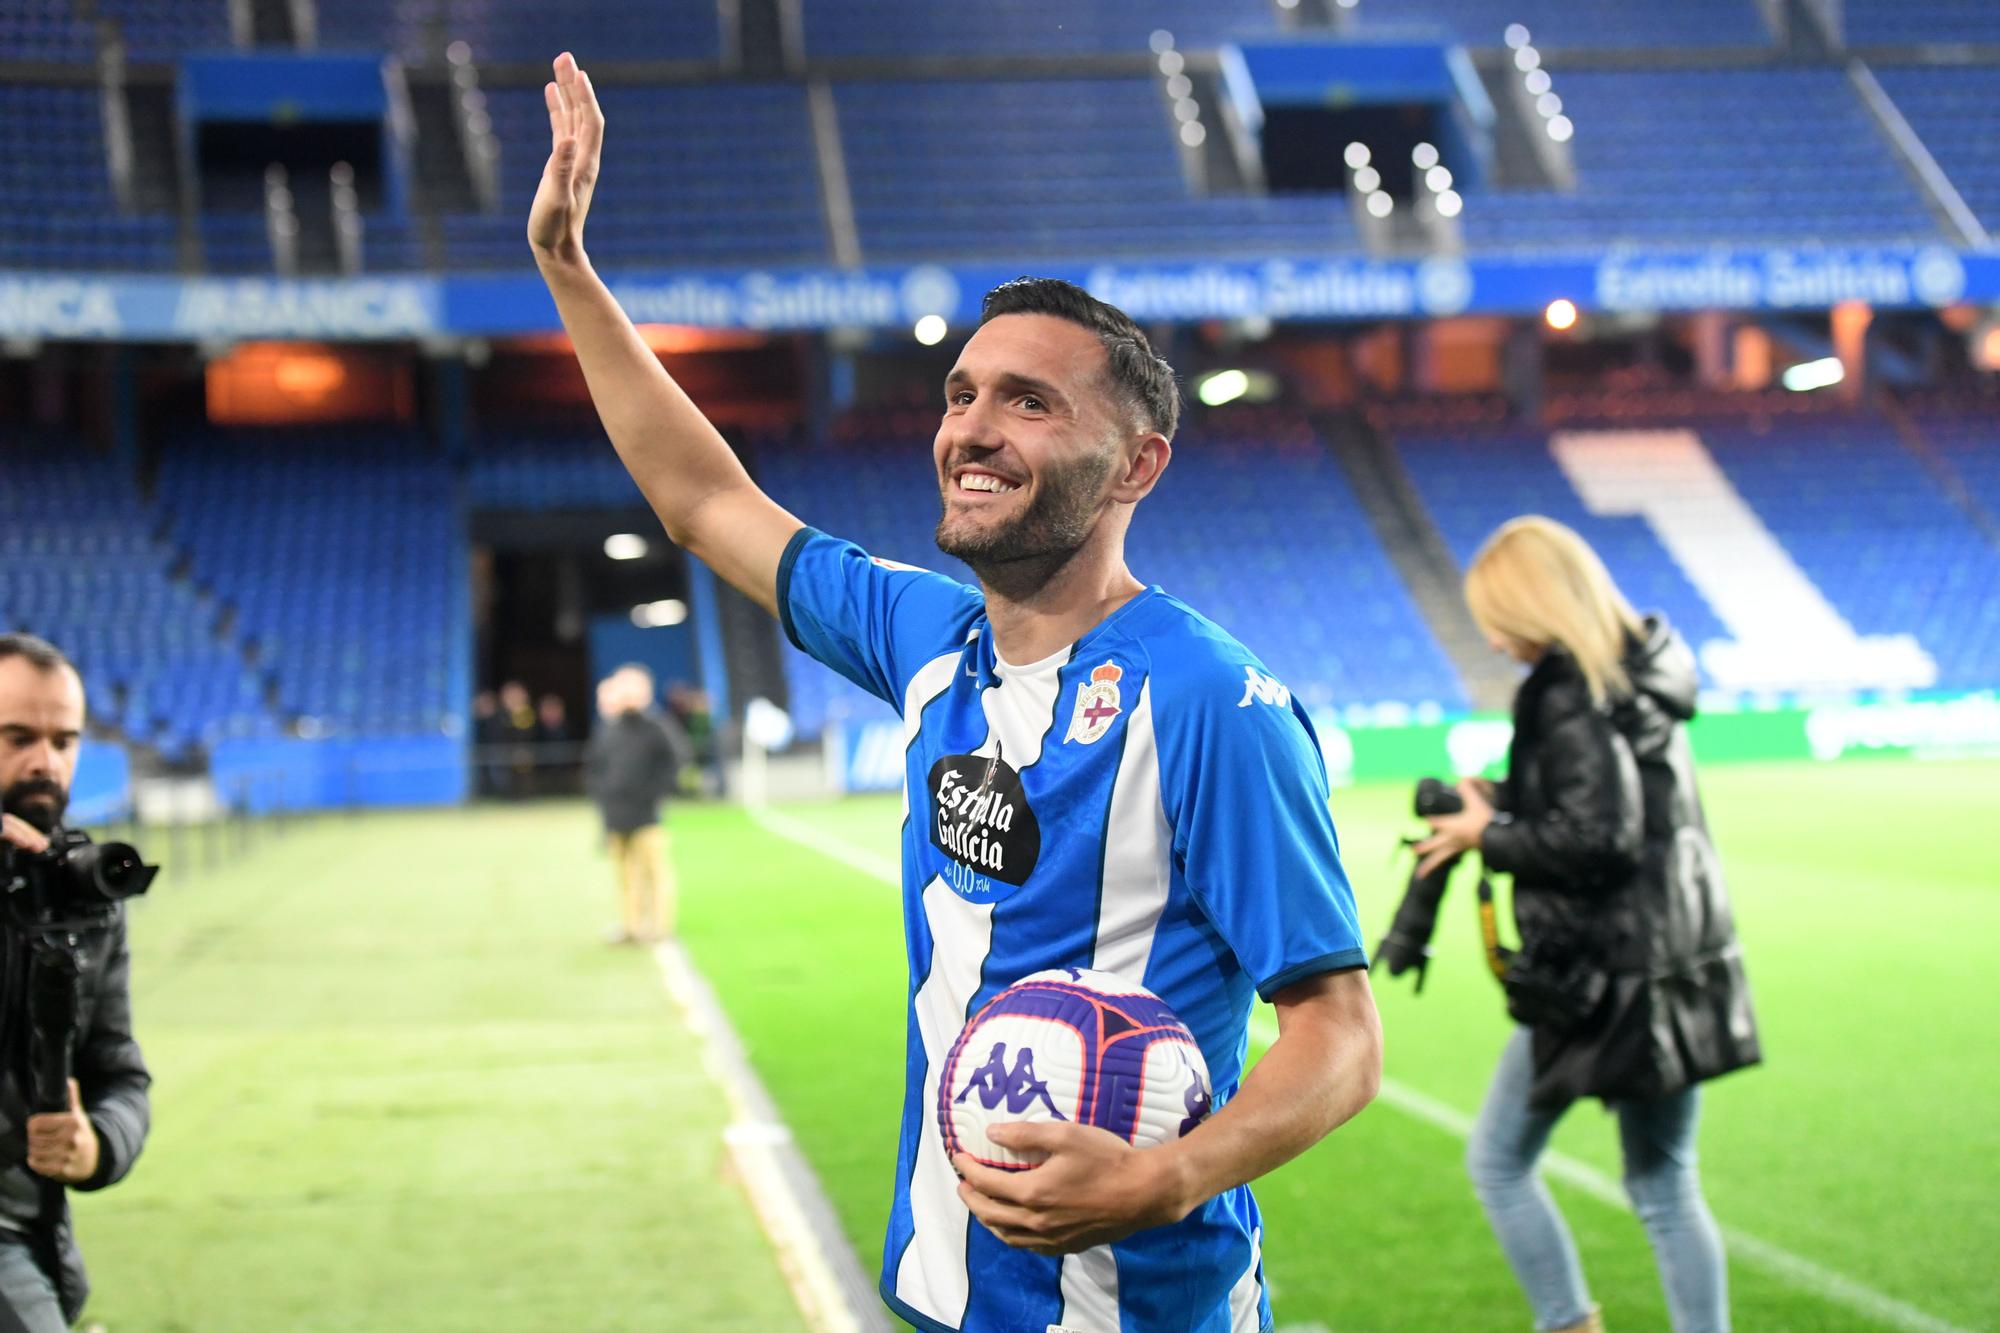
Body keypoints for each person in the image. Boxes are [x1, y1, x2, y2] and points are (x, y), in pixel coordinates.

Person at [529, 53, 1381, 1333]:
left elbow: (1338, 1032)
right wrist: (569, 273)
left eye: (1027, 402)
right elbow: (706, 503)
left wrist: (1163, 1175)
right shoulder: (929, 636)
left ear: (1135, 462)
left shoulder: (1207, 698)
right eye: (961, 393)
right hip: (937, 1294)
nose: (969, 428)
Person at [1409, 517, 1760, 1333]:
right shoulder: (1635, 677)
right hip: (1677, 962)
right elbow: (1607, 810)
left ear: (1534, 606)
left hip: (1604, 977)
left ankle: (1570, 1324)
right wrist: (1503, 800)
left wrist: (1482, 834)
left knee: (1498, 1161)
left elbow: (1600, 837)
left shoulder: (1569, 694)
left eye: (1498, 616)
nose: (1492, 639)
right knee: (1666, 1184)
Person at [0, 634, 151, 1332]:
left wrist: (97, 1145)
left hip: (37, 1235)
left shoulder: (80, 890)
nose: (45, 762)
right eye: (17, 737)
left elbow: (121, 1075)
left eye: (64, 741)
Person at [584, 667, 688, 944]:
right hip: (616, 815)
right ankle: (631, 926)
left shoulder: (657, 725)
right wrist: (603, 797)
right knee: (626, 877)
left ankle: (660, 927)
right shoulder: (609, 729)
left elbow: (676, 761)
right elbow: (596, 768)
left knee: (655, 874)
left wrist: (655, 793)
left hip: (646, 814)